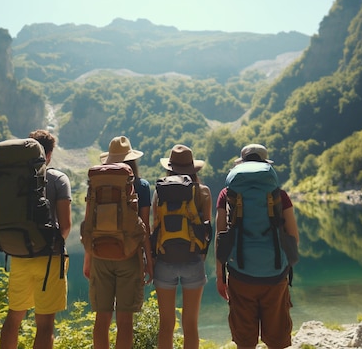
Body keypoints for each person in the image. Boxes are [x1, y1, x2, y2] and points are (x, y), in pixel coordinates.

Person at [215, 144, 299, 349]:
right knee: (277, 340)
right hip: (275, 274)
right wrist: (286, 266)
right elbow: (293, 236)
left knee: (245, 341)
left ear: (242, 164)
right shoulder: (280, 195)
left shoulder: (227, 195)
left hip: (240, 274)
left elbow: (221, 238)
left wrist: (220, 276)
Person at [0, 130, 72, 349]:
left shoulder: (14, 179)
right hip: (49, 258)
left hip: (20, 254)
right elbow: (66, 226)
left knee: (13, 317)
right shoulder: (58, 179)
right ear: (48, 154)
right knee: (45, 324)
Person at [82, 136, 153, 349]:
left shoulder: (95, 185)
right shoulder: (141, 186)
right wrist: (149, 261)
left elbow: (88, 226)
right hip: (129, 257)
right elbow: (144, 229)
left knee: (101, 320)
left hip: (99, 255)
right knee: (125, 322)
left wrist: (88, 258)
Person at [152, 144, 212, 349]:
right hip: (193, 260)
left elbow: (155, 227)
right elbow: (206, 232)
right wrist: (198, 257)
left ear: (169, 167)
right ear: (193, 168)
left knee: (166, 325)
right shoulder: (203, 192)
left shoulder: (159, 192)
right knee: (191, 325)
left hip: (165, 260)